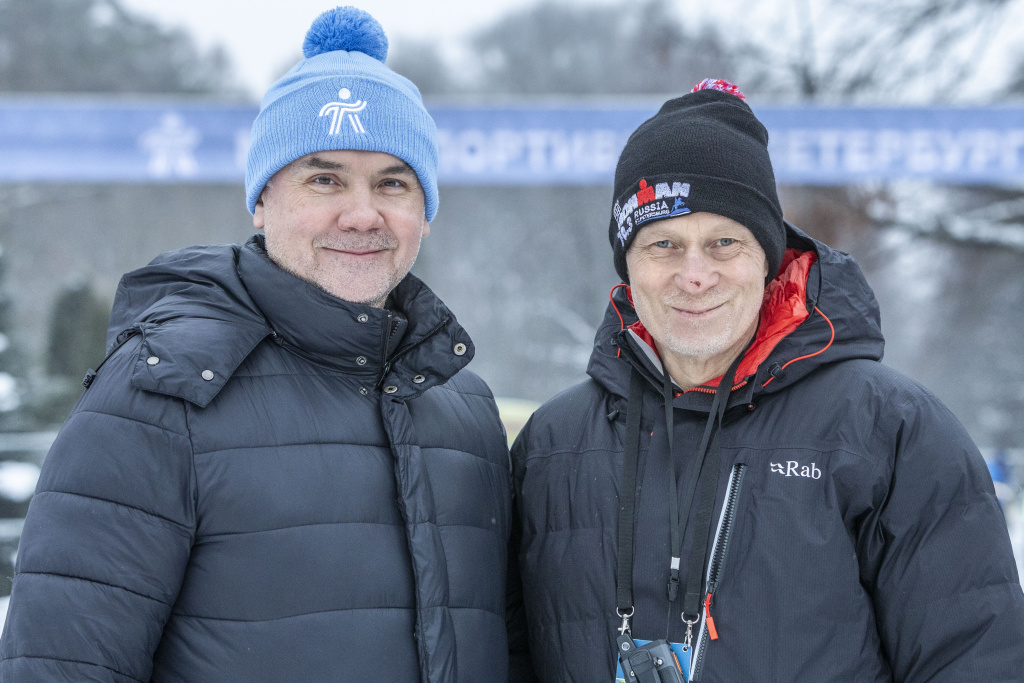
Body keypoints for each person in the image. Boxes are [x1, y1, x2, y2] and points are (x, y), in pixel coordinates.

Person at [0, 7, 523, 682]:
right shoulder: (161, 392)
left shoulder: (465, 408)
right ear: (262, 200)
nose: (362, 214)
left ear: (424, 213)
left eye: (393, 182)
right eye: (324, 179)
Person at [510, 79, 1024, 682]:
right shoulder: (552, 445)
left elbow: (975, 660)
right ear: (628, 264)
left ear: (767, 258)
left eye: (724, 242)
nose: (694, 274)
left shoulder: (890, 431)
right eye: (663, 244)